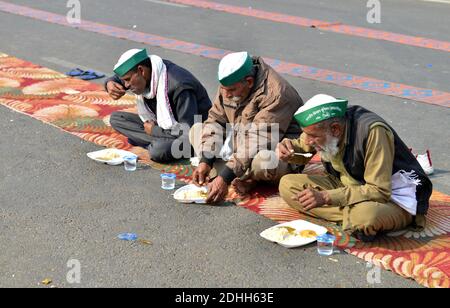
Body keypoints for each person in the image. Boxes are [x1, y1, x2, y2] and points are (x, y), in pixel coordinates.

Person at [277, 94, 432, 241]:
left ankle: (360, 220)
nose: (309, 141)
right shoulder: (324, 127)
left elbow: (379, 191)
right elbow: (302, 146)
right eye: (306, 135)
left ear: (335, 129)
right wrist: (289, 149)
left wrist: (326, 197)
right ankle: (352, 221)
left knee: (364, 216)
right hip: (348, 185)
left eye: (313, 137)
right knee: (287, 185)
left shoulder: (373, 132)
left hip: (393, 197)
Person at [191, 51, 304, 204]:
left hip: (277, 150)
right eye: (223, 89)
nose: (226, 94)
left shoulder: (276, 94)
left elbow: (258, 140)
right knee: (196, 130)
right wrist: (205, 160)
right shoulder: (229, 85)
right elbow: (216, 121)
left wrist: (224, 177)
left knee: (262, 161)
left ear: (249, 82)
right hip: (242, 141)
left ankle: (246, 177)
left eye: (231, 90)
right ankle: (239, 174)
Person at [105, 48, 212, 162]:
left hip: (194, 134)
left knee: (158, 151)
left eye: (127, 80)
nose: (126, 85)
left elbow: (189, 132)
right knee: (116, 119)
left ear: (141, 71)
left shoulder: (179, 86)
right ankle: (157, 142)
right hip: (164, 128)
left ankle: (157, 143)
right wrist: (109, 83)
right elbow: (119, 78)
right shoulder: (149, 69)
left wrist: (155, 131)